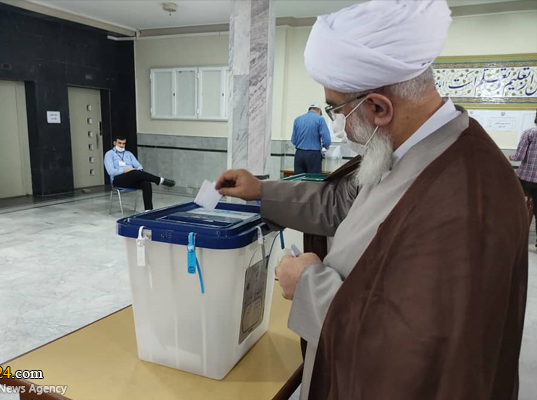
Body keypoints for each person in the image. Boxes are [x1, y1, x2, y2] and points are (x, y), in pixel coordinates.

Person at [216, 1, 528, 400]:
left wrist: (309, 284)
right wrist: (260, 191)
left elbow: (415, 350)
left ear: (379, 107)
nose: (336, 123)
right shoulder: (409, 150)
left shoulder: (468, 194)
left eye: (336, 109)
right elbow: (343, 204)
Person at [104, 136, 175, 211]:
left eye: (124, 143)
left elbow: (139, 166)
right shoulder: (109, 154)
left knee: (146, 183)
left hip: (132, 177)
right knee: (133, 172)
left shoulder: (128, 154)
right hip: (117, 179)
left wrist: (138, 171)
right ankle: (159, 180)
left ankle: (148, 210)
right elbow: (111, 171)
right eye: (119, 143)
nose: (122, 145)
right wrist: (126, 170)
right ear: (114, 143)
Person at [510, 109, 537, 245]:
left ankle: (512, 234)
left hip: (525, 180)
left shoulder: (529, 133)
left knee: (512, 203)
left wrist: (511, 157)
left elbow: (519, 157)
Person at [291, 103, 332, 174]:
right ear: (318, 110)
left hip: (299, 154)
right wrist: (326, 146)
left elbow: (293, 140)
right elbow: (327, 139)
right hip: (313, 155)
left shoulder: (297, 119)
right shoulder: (320, 119)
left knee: (298, 180)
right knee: (313, 181)